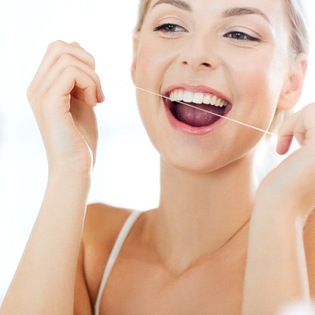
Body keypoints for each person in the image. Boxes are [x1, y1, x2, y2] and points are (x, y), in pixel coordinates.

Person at [1, 0, 315, 314]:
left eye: (240, 34)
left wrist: (279, 206)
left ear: (293, 80)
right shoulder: (91, 247)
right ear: (136, 57)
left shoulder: (305, 250)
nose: (196, 55)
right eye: (171, 26)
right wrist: (69, 170)